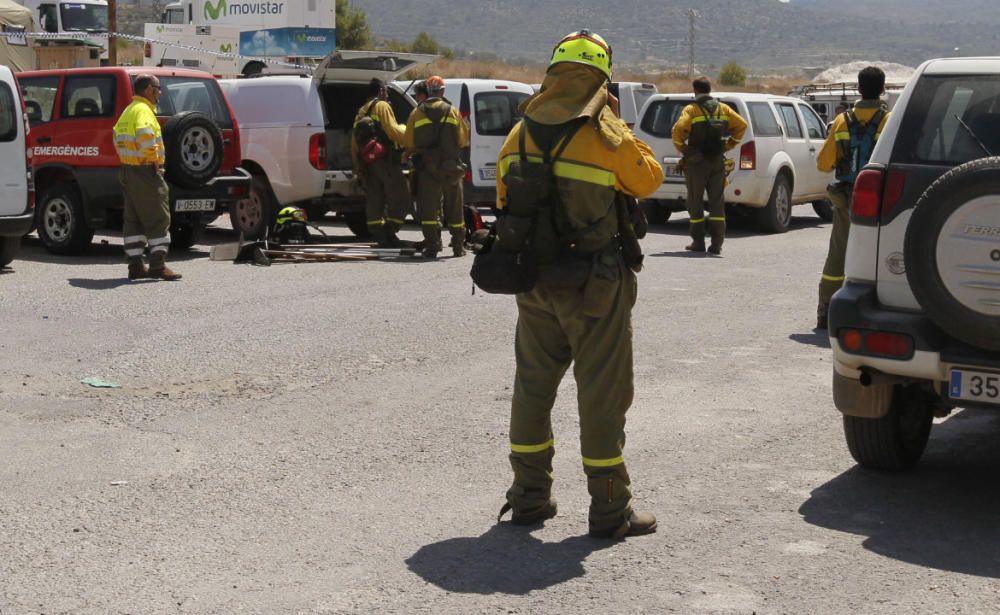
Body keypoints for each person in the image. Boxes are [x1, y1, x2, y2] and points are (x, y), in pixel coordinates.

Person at [494, 30, 663, 539]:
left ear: (553, 73)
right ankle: (610, 510)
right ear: (601, 78)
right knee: (602, 394)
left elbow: (505, 198)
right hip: (595, 287)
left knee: (532, 386)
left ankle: (528, 498)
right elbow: (649, 179)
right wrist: (613, 120)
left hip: (536, 283)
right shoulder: (605, 133)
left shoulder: (518, 135)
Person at [815, 67, 890, 329]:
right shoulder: (889, 121)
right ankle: (878, 313)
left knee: (837, 255)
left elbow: (824, 164)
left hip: (847, 199)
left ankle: (826, 309)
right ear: (883, 90)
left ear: (859, 89)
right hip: (882, 201)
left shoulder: (841, 121)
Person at [113, 74, 181, 281]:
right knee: (159, 218)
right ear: (149, 89)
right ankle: (157, 266)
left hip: (128, 170)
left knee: (133, 220)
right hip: (145, 171)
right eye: (158, 88)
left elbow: (116, 136)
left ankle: (135, 266)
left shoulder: (129, 110)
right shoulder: (144, 111)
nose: (160, 92)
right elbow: (145, 135)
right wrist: (154, 161)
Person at [671, 77, 747, 255]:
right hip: (717, 161)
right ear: (709, 90)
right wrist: (729, 145)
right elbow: (742, 125)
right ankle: (717, 244)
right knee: (717, 203)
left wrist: (685, 150)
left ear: (695, 90)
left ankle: (698, 242)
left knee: (695, 202)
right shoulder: (723, 108)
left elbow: (677, 131)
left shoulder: (691, 109)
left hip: (697, 163)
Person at [404, 76, 470, 258]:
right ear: (442, 91)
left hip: (428, 169)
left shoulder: (417, 113)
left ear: (428, 90)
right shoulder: (452, 112)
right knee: (455, 207)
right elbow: (463, 140)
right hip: (451, 168)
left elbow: (408, 141)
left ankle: (433, 247)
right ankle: (458, 247)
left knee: (429, 209)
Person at [352, 78, 409, 247]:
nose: (387, 94)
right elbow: (393, 131)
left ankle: (379, 234)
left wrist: (358, 166)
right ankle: (390, 231)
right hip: (385, 161)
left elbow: (354, 142)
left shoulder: (361, 111)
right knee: (401, 195)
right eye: (386, 90)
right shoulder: (382, 106)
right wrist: (409, 134)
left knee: (375, 199)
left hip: (367, 163)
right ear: (380, 91)